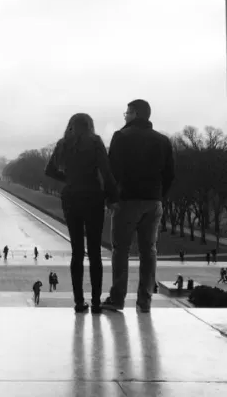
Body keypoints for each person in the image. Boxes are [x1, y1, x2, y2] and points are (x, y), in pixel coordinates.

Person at [103, 100, 175, 314]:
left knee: (121, 250)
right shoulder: (163, 140)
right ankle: (145, 301)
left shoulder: (121, 137)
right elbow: (170, 174)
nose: (124, 116)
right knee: (149, 250)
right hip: (153, 201)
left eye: (126, 112)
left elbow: (111, 171)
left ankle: (117, 299)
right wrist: (158, 195)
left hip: (128, 200)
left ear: (134, 113)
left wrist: (111, 198)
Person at [45, 112, 118, 314]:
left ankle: (78, 302)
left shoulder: (63, 143)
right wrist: (112, 197)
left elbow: (49, 170)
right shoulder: (95, 142)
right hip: (93, 196)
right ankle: (95, 302)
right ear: (90, 125)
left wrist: (68, 179)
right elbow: (106, 171)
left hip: (71, 197)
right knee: (94, 253)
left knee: (77, 252)